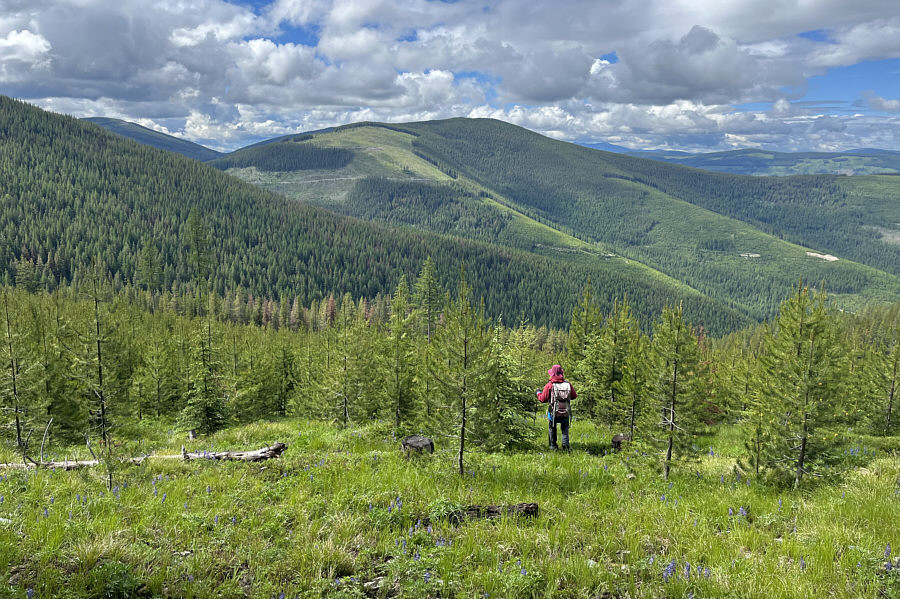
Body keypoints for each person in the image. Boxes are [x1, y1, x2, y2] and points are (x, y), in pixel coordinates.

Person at [537, 364, 577, 450]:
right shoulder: (568, 384)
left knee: (552, 428)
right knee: (565, 429)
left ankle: (553, 446)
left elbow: (543, 399)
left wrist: (538, 393)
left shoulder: (549, 385)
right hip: (565, 411)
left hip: (553, 412)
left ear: (552, 374)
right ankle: (565, 447)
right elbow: (574, 396)